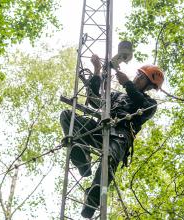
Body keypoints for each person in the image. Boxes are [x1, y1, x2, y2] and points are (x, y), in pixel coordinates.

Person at [60, 54, 164, 218]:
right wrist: (96, 71)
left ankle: (93, 197)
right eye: (137, 75)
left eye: (141, 78)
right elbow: (95, 99)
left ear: (149, 86)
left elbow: (139, 103)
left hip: (120, 137)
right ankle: (83, 159)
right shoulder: (117, 96)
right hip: (101, 130)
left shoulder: (150, 104)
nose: (136, 78)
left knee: (109, 158)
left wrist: (127, 84)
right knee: (67, 116)